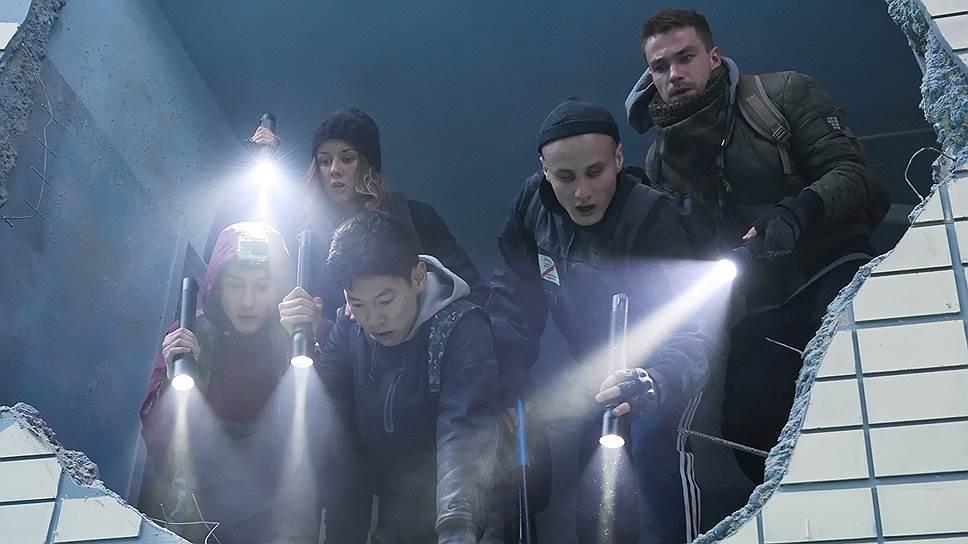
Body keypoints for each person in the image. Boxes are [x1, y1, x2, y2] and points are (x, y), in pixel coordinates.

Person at [624, 8, 891, 482]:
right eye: (660, 66)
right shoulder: (661, 160)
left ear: (713, 57)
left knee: (864, 384)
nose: (674, 73)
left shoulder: (782, 94)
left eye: (685, 57)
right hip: (762, 301)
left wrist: (796, 211)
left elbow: (855, 174)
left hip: (835, 268)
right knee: (749, 422)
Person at [487, 97, 722, 544]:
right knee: (598, 499)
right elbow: (511, 301)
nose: (582, 192)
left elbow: (695, 330)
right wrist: (509, 375)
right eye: (565, 177)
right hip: (598, 375)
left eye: (594, 172)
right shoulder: (533, 209)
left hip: (666, 370)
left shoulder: (655, 218)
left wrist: (657, 381)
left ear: (618, 158)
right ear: (544, 169)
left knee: (653, 463)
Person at [278, 210, 500, 544]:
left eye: (385, 300)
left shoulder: (462, 328)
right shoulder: (350, 326)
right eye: (358, 303)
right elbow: (316, 411)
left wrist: (458, 530)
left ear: (418, 277)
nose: (374, 319)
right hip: (396, 512)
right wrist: (298, 341)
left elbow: (462, 433)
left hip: (470, 510)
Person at [139, 222, 337, 544]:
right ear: (216, 287)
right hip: (199, 510)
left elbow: (335, 439)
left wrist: (313, 344)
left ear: (282, 288)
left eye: (262, 286)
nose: (248, 301)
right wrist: (173, 382)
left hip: (283, 512)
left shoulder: (311, 332)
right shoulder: (189, 338)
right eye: (235, 285)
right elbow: (159, 447)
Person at [248, 107, 488, 317]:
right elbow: (246, 264)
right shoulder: (304, 235)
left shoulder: (415, 217)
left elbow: (474, 294)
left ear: (367, 165)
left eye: (347, 159)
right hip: (331, 352)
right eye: (324, 161)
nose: (334, 170)